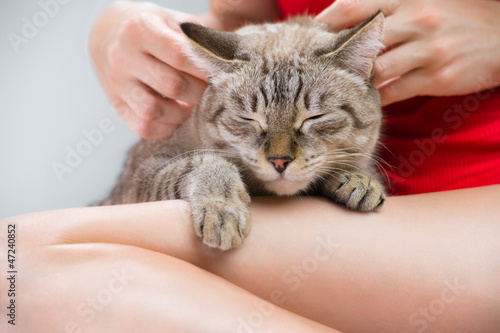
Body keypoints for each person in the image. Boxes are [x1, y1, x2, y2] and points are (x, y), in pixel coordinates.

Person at [3, 1, 499, 332]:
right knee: (10, 269)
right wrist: (120, 28)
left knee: (21, 267)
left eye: (312, 122)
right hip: (334, 227)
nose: (279, 153)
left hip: (475, 215)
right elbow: (233, 22)